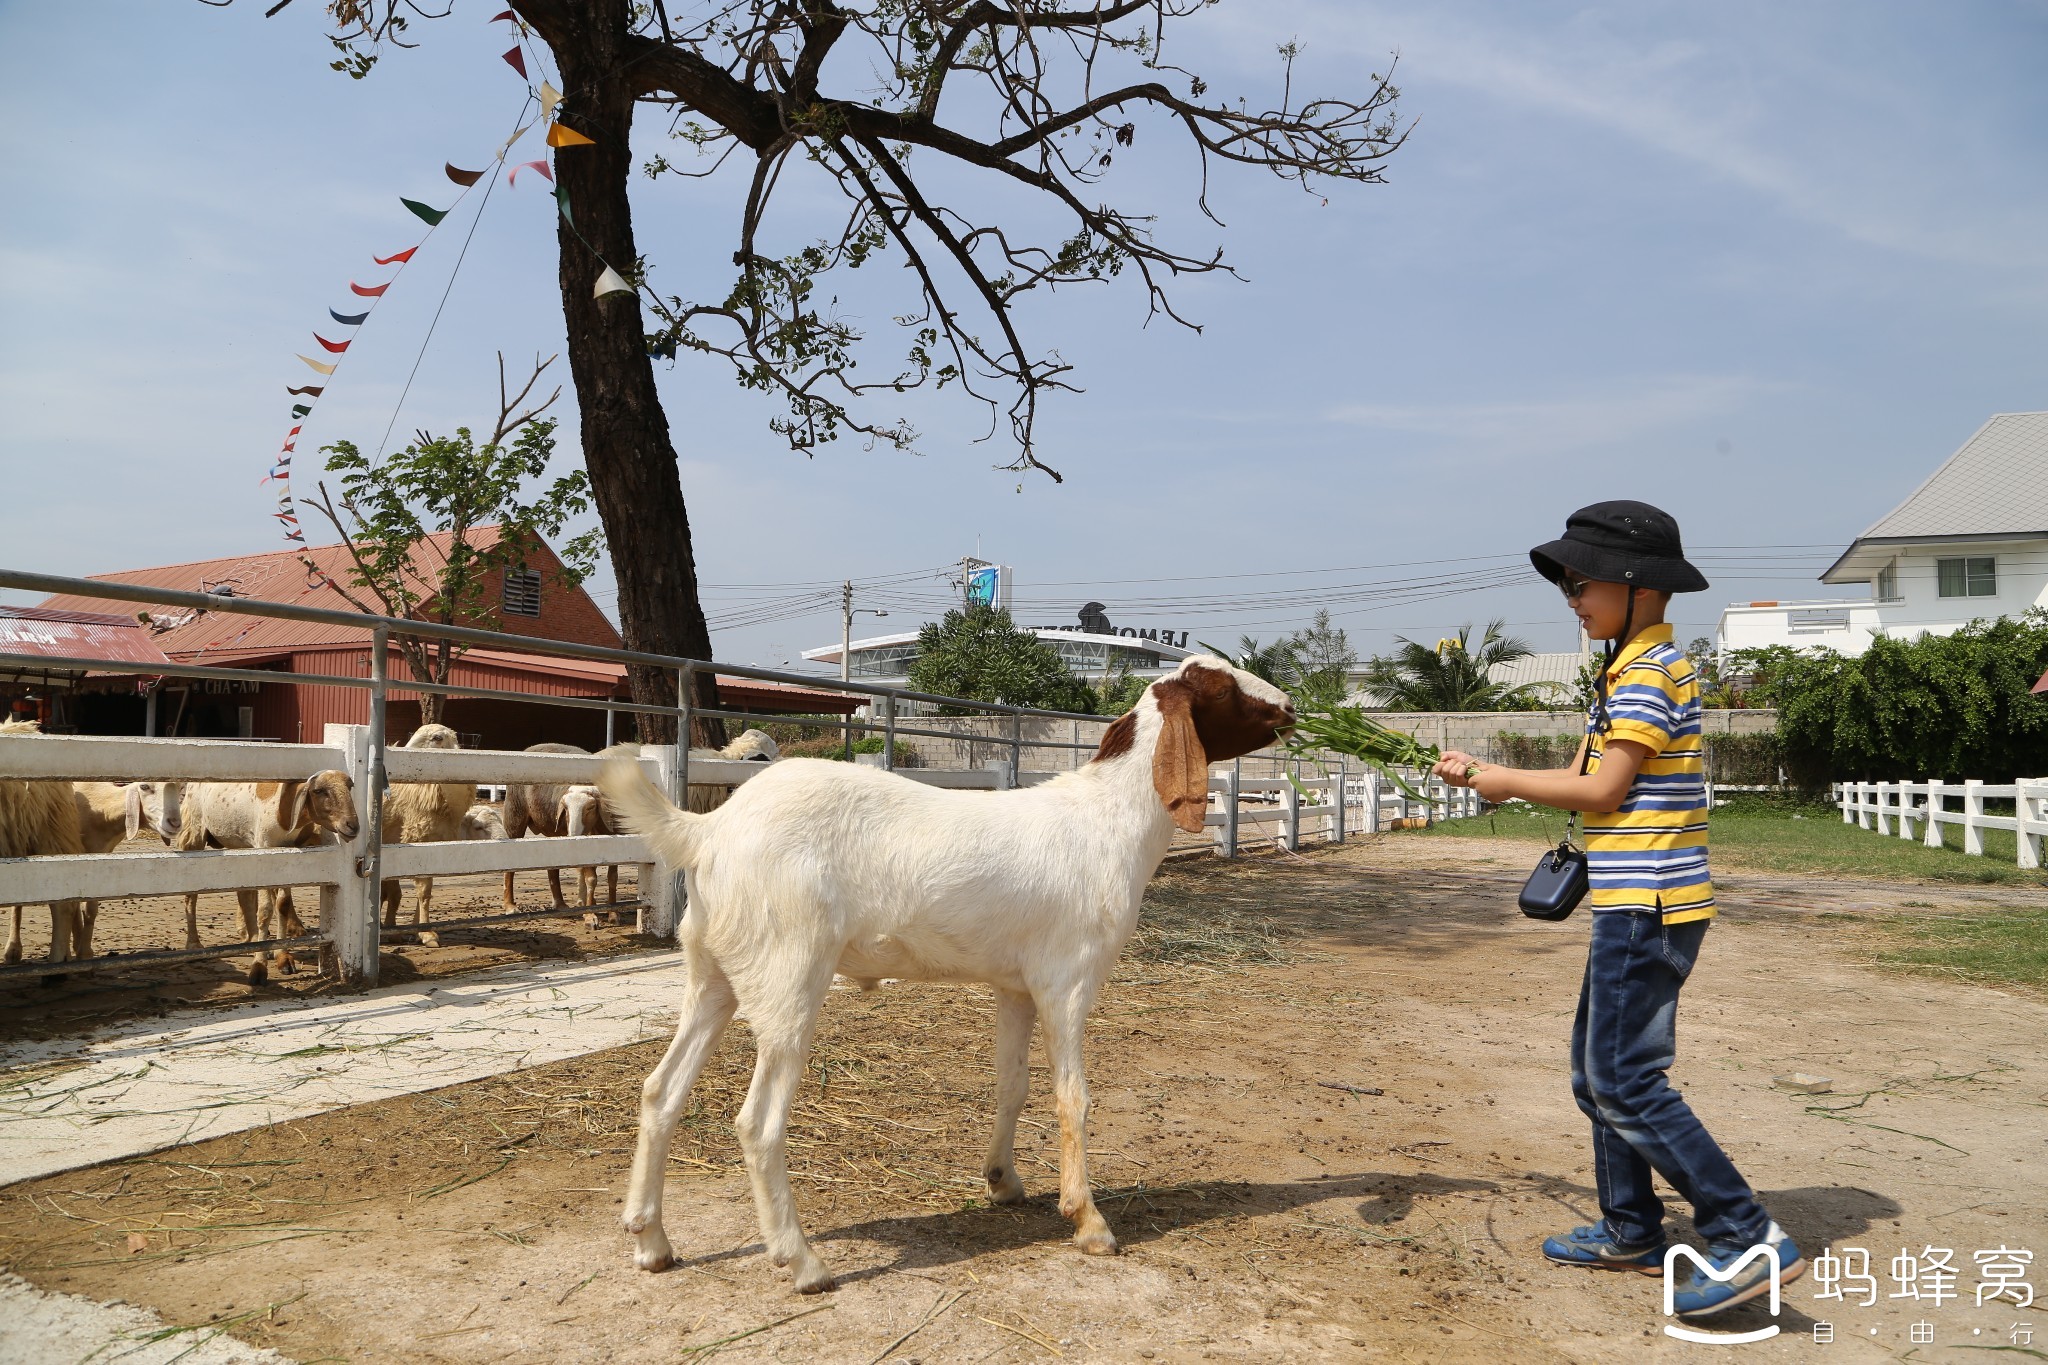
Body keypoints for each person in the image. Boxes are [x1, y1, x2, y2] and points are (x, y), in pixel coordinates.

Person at [1431, 500, 1803, 1318]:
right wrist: (1480, 772)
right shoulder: (1626, 669)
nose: (1570, 593)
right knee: (1596, 1073)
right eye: (1566, 579)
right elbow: (1587, 786)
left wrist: (1501, 777)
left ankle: (1746, 1231)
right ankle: (1630, 1224)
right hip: (1631, 897)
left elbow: (1603, 788)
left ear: (1638, 586)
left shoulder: (1648, 672)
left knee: (1624, 1076)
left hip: (1649, 902)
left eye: (1582, 579)